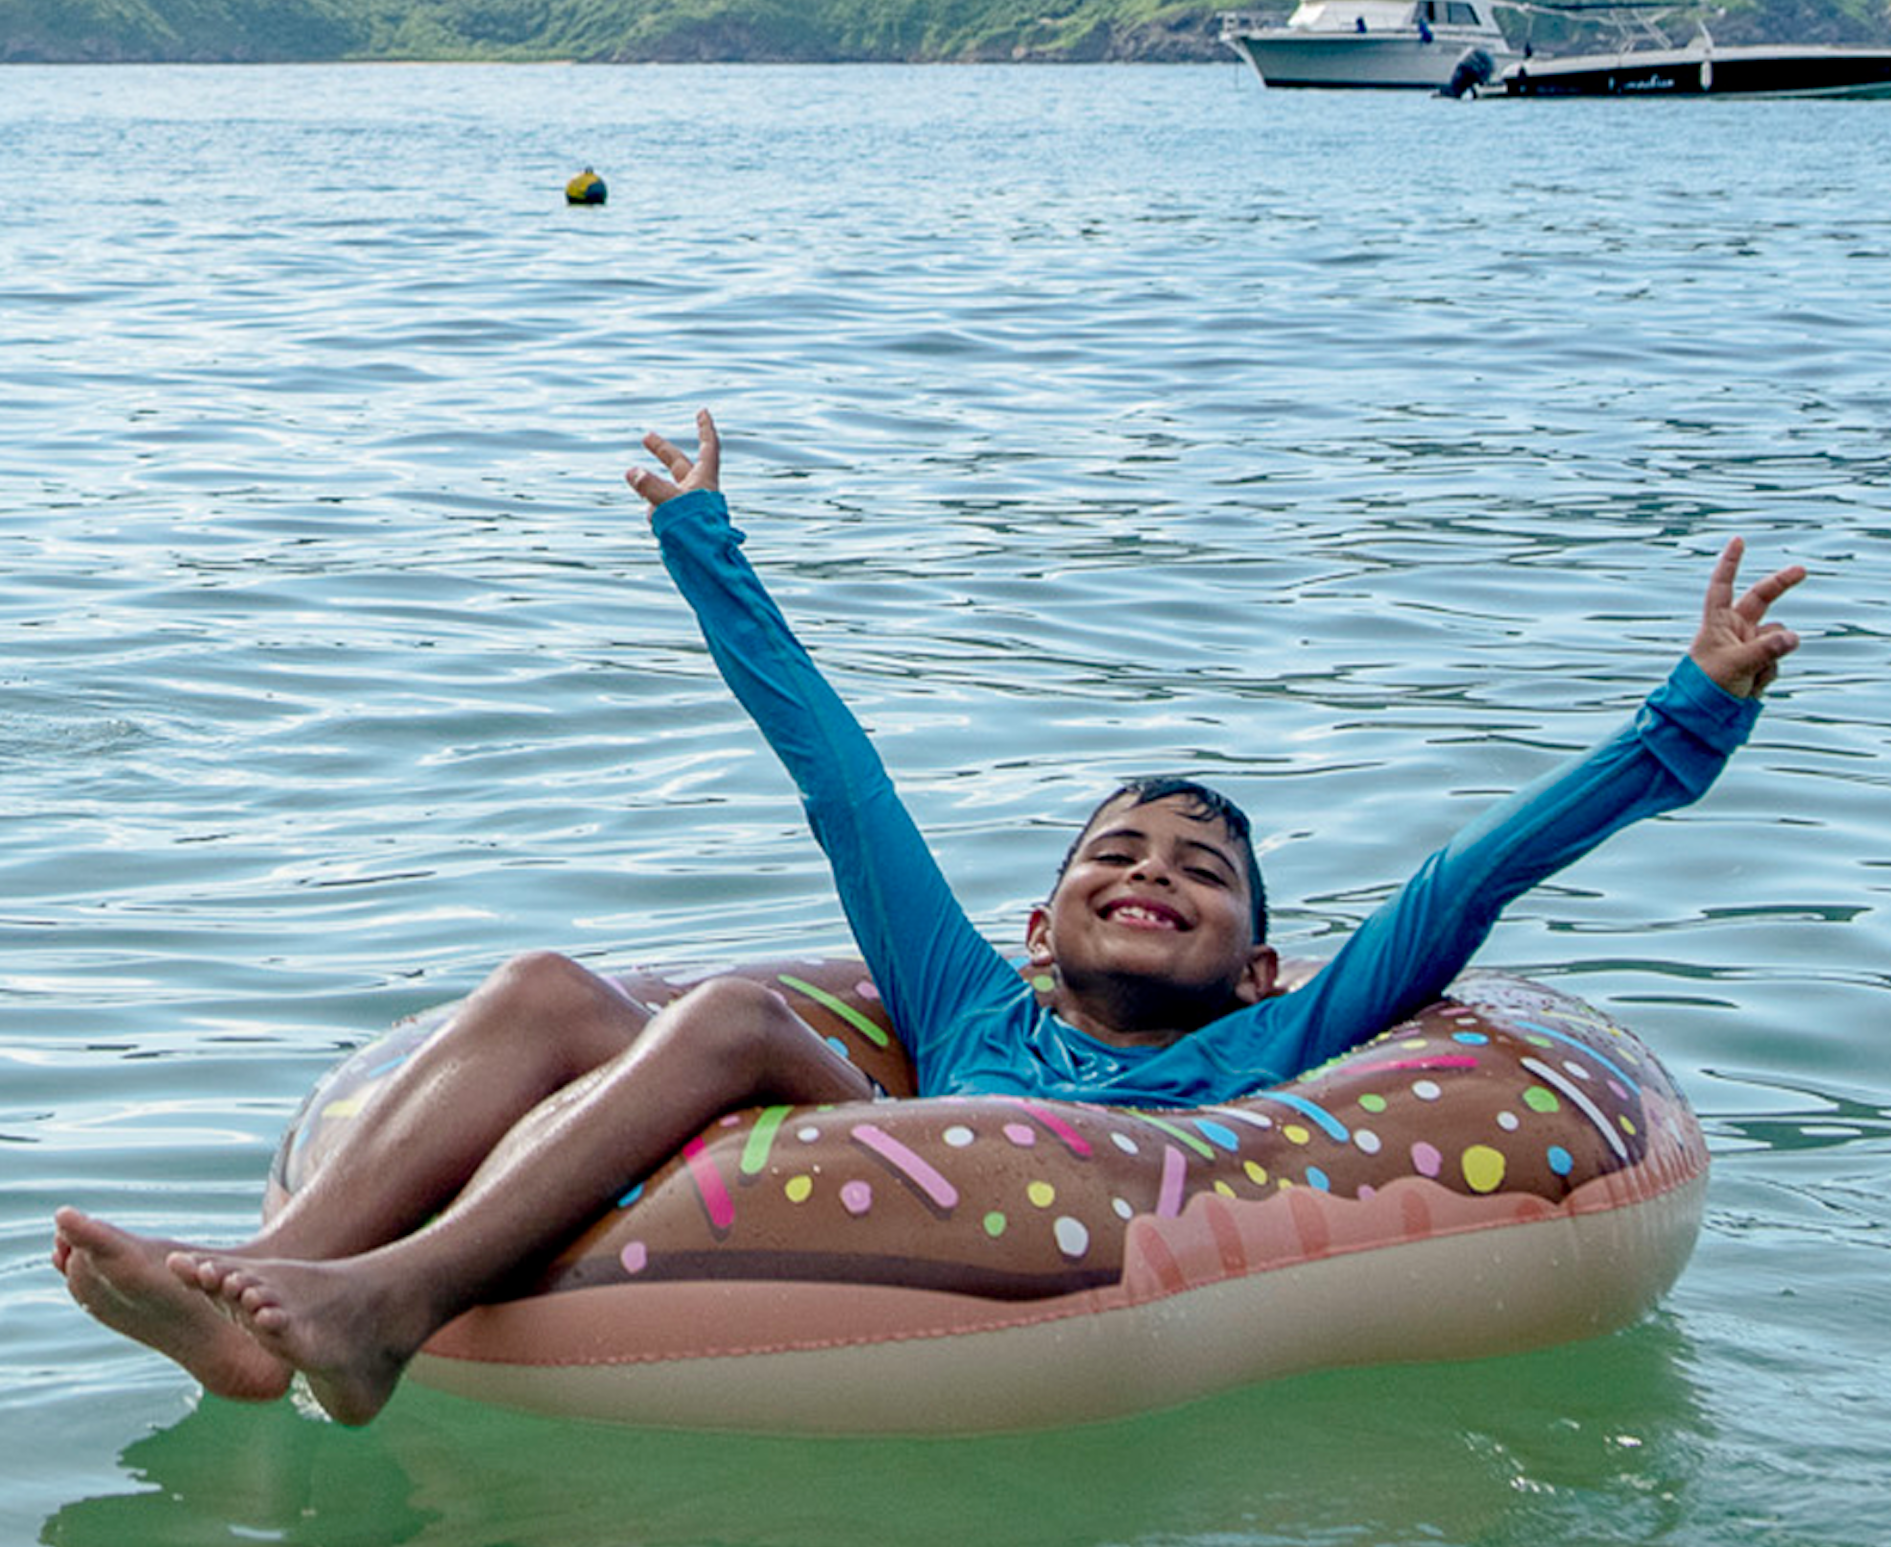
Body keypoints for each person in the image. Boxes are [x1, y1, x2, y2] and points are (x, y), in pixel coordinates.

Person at [53, 409, 1802, 1423]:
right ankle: (282, 1279)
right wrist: (703, 539)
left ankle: (385, 1305)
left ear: (1260, 963)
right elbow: (837, 765)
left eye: (1199, 874)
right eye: (1118, 852)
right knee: (540, 985)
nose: (1153, 872)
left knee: (738, 1012)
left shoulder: (1292, 1041)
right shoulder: (964, 990)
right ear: (1038, 923)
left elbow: (1479, 871)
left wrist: (1695, 709)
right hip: (908, 1126)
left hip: (1021, 1182)